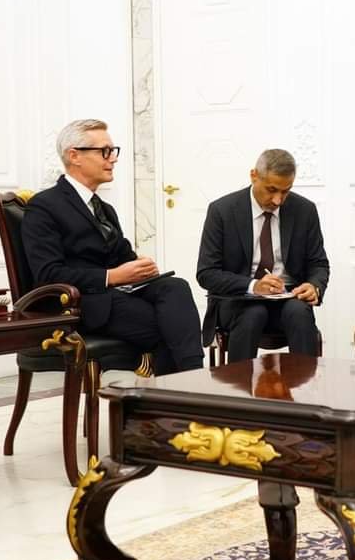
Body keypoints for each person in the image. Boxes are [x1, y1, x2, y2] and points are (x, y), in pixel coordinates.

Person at [22, 119, 204, 375]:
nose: (113, 159)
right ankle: (191, 385)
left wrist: (140, 266)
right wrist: (111, 276)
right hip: (78, 303)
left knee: (175, 287)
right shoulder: (44, 206)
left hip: (115, 295)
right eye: (105, 151)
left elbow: (122, 257)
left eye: (113, 151)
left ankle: (189, 382)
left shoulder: (104, 208)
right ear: (74, 156)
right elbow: (48, 274)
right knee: (171, 324)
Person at [196, 149, 330, 361]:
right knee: (253, 313)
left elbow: (318, 263)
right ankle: (238, 382)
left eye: (285, 192)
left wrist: (314, 286)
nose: (278, 200)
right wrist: (253, 285)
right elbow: (206, 273)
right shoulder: (222, 211)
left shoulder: (304, 210)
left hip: (286, 298)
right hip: (238, 300)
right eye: (272, 190)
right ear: (254, 176)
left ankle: (306, 381)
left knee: (299, 312)